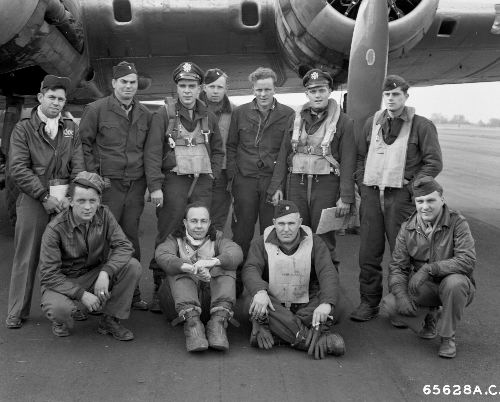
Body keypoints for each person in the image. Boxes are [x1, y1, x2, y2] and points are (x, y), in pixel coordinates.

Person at [351, 75, 443, 322]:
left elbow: (434, 163)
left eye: (396, 95)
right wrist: (362, 184)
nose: (391, 99)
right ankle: (368, 302)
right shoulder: (372, 123)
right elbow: (360, 157)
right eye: (387, 95)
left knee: (403, 255)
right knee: (368, 254)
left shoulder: (422, 125)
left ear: (406, 96)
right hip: (372, 196)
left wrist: (412, 188)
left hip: (400, 199)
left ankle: (401, 305)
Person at [145, 62, 225, 312]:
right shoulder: (164, 115)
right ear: (177, 88)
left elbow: (218, 150)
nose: (187, 91)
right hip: (174, 183)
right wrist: (155, 186)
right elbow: (152, 152)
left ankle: (197, 285)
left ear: (200, 88)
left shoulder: (209, 116)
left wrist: (212, 175)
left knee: (200, 232)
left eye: (192, 86)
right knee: (168, 233)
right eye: (183, 86)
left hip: (201, 183)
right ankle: (160, 287)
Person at [6, 75, 84, 329]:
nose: (56, 103)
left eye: (61, 99)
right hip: (34, 199)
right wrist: (43, 196)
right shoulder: (23, 129)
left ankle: (70, 305)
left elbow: (78, 165)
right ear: (40, 97)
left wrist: (71, 196)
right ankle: (17, 310)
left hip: (64, 200)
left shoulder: (71, 128)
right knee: (27, 256)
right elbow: (18, 168)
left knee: (69, 256)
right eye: (51, 97)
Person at [80, 61, 151, 311]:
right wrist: (93, 178)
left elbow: (149, 151)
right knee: (101, 238)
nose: (128, 86)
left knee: (130, 238)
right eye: (124, 82)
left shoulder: (145, 113)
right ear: (113, 83)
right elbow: (83, 145)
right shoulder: (96, 109)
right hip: (108, 185)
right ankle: (96, 293)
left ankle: (132, 293)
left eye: (132, 82)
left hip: (135, 184)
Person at [380, 177, 475, 358]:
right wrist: (401, 295)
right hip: (425, 286)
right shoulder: (407, 228)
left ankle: (447, 337)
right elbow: (398, 267)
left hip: (456, 285)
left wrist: (429, 269)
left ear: (442, 200)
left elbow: (467, 260)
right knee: (391, 305)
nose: (425, 206)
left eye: (431, 200)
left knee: (454, 283)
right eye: (420, 201)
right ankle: (430, 315)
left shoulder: (457, 222)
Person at [39, 172, 141, 340]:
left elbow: (124, 246)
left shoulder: (104, 214)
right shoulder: (54, 229)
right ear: (70, 201)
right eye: (81, 201)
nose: (88, 207)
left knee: (132, 266)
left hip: (93, 274)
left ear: (99, 201)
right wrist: (81, 294)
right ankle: (62, 319)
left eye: (92, 201)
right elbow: (49, 275)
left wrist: (106, 272)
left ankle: (109, 319)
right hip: (62, 281)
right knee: (59, 310)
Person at [269, 68, 356, 265]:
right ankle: (300, 280)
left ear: (329, 91)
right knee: (296, 234)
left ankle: (327, 282)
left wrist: (346, 197)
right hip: (295, 184)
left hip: (326, 185)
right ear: (306, 93)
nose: (317, 95)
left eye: (322, 90)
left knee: (324, 238)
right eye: (313, 91)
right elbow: (284, 154)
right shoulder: (295, 119)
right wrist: (276, 187)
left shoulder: (344, 122)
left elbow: (348, 161)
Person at [241, 200, 345, 360]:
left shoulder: (315, 242)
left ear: (300, 222)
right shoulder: (260, 243)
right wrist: (260, 292)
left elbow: (328, 272)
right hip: (275, 304)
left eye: (291, 223)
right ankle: (308, 337)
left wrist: (326, 304)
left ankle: (280, 333)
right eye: (281, 224)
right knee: (251, 301)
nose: (286, 229)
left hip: (306, 304)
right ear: (274, 223)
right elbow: (250, 269)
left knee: (337, 301)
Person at [226, 67, 295, 292]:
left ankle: (267, 281)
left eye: (267, 89)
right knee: (241, 233)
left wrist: (277, 186)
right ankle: (236, 281)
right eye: (259, 90)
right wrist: (233, 178)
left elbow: (285, 153)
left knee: (270, 232)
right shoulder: (240, 113)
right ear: (253, 90)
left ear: (274, 89)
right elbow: (232, 146)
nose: (263, 94)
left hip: (270, 181)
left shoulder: (287, 114)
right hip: (244, 181)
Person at [155, 202, 243, 352]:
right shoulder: (174, 239)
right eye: (194, 221)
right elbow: (162, 254)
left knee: (226, 264)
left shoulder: (218, 238)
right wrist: (190, 267)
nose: (199, 226)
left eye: (203, 221)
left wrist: (212, 262)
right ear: (185, 222)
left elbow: (236, 252)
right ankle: (193, 326)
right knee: (176, 267)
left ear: (209, 223)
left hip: (211, 305)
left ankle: (218, 323)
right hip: (178, 306)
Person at [199, 68, 235, 232]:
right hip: (197, 171)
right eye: (211, 86)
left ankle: (214, 246)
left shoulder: (235, 112)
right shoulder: (192, 108)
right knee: (195, 215)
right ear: (204, 87)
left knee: (218, 219)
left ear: (226, 89)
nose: (215, 91)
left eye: (220, 87)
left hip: (222, 172)